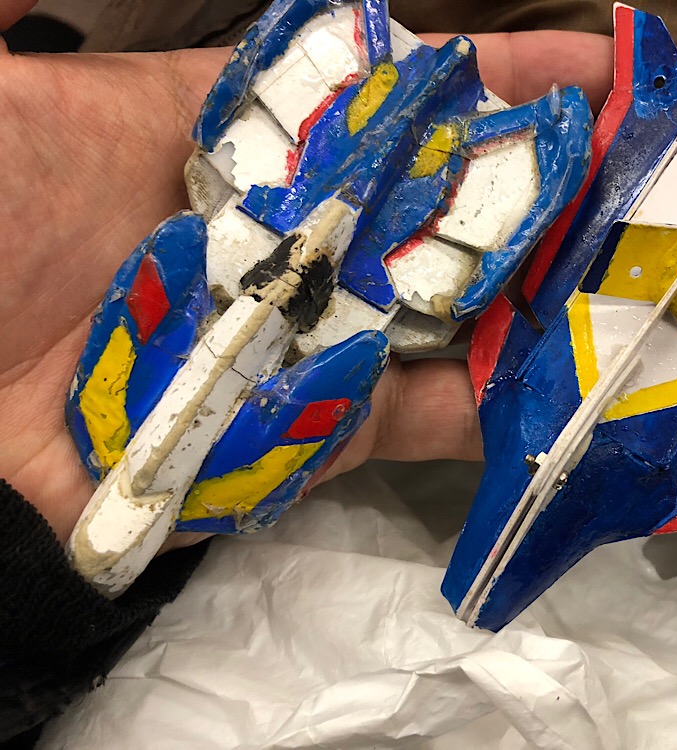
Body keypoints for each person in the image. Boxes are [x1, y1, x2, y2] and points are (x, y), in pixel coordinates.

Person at [0, 9, 616, 743]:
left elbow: (183, 251)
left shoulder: (123, 429)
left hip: (307, 221)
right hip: (343, 261)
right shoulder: (215, 484)